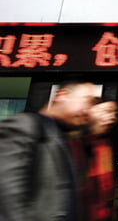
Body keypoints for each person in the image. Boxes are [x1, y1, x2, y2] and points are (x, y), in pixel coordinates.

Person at [0, 80, 97, 221]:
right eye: (87, 101)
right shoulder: (26, 125)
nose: (89, 109)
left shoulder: (64, 139)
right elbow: (6, 196)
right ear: (61, 95)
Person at [69, 99, 118, 221]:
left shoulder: (104, 145)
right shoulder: (72, 142)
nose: (112, 118)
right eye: (106, 111)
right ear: (89, 111)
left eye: (114, 113)